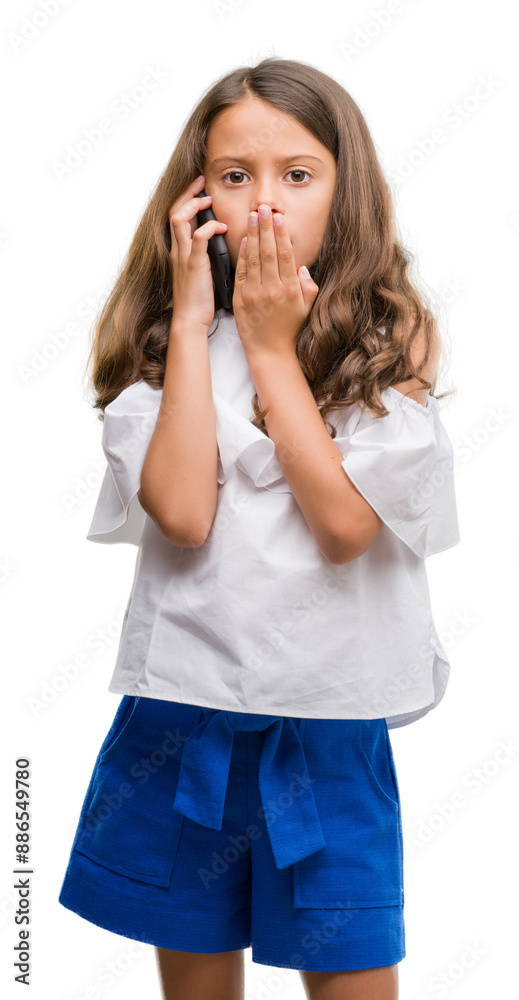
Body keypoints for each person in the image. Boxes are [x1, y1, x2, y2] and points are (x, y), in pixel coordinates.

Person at [58, 57, 460, 1000]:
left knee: (350, 966)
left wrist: (272, 347)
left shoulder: (389, 338)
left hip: (327, 726)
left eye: (298, 174)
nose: (265, 203)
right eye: (235, 176)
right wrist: (195, 324)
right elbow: (184, 514)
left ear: (343, 192)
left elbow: (344, 528)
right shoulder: (162, 344)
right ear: (195, 199)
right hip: (183, 716)